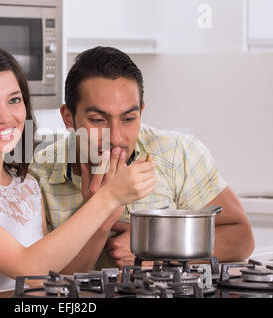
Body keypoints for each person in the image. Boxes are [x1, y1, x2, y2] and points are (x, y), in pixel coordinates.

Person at [0, 43, 158, 297]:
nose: (5, 116)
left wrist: (106, 219)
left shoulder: (26, 184)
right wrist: (108, 197)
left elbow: (55, 279)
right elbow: (27, 268)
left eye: (14, 100)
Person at [29, 46, 255, 271]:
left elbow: (240, 237)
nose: (116, 137)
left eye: (128, 118)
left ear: (141, 112)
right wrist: (101, 216)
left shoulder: (178, 153)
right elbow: (47, 281)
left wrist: (158, 252)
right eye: (98, 120)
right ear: (68, 117)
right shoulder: (37, 175)